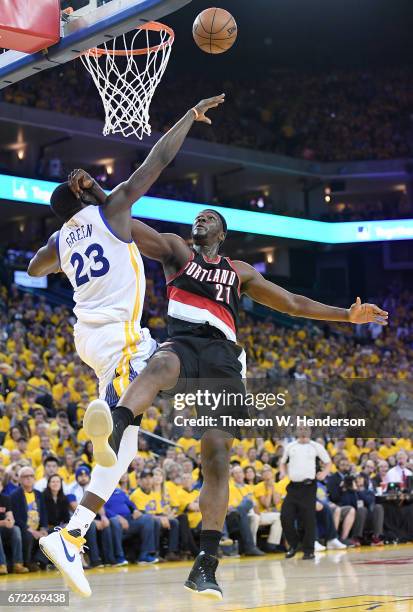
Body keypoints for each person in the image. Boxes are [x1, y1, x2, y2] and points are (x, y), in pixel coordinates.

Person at [61, 166, 387, 598]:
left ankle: (205, 562)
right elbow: (124, 221)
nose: (201, 219)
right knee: (158, 367)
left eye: (209, 216)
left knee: (215, 457)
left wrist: (345, 315)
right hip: (182, 343)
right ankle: (117, 426)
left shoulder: (239, 271)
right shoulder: (177, 251)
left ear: (222, 232)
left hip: (223, 359)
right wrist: (98, 193)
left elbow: (290, 302)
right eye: (197, 216)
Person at [28, 94, 225, 597]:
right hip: (120, 334)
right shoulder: (112, 210)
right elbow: (156, 159)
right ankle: (104, 425)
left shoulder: (59, 242)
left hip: (88, 335)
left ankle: (73, 532)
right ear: (84, 198)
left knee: (130, 438)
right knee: (173, 367)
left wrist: (59, 241)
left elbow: (33, 268)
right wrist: (187, 117)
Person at [279, 427, 332, 560]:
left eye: (305, 428)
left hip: (309, 487)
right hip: (293, 487)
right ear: (296, 431)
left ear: (310, 431)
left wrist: (324, 473)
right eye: (300, 428)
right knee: (285, 516)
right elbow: (282, 462)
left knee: (308, 519)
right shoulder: (290, 446)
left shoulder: (316, 446)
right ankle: (294, 544)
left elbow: (328, 462)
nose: (303, 431)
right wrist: (283, 472)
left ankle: (309, 550)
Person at [10, 466, 48, 571]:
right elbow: (16, 518)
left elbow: (44, 513)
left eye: (31, 476)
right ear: (20, 479)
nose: (29, 478)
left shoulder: (39, 494)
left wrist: (43, 528)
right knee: (28, 535)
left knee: (53, 533)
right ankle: (27, 562)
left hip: (38, 528)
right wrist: (31, 530)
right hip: (24, 529)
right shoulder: (14, 495)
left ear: (34, 478)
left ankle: (38, 561)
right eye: (25, 476)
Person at [0, 479, 28, 574]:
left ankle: (18, 564)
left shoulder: (5, 499)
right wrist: (3, 523)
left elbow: (10, 515)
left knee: (16, 529)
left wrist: (10, 521)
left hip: (3, 528)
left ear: (2, 487)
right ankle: (2, 565)